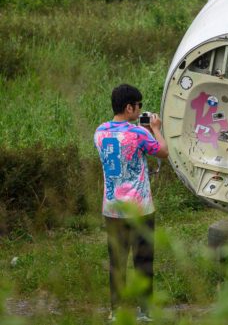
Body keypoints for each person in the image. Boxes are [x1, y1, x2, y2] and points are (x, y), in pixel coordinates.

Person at [94, 84, 169, 322]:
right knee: (143, 260)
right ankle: (145, 311)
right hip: (140, 209)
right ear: (129, 107)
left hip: (112, 208)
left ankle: (116, 311)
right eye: (139, 105)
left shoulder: (100, 132)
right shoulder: (139, 134)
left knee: (117, 261)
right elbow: (163, 152)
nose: (141, 109)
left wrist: (144, 129)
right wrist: (155, 129)